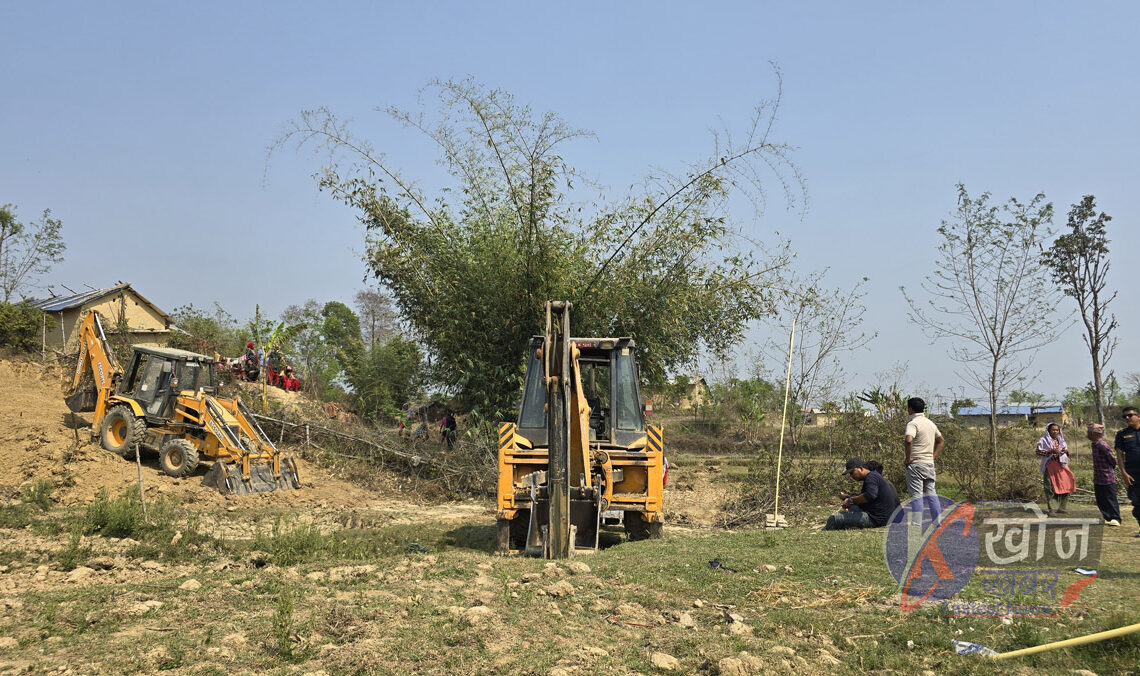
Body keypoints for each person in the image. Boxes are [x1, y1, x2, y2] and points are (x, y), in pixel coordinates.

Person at [824, 458, 900, 530]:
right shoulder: (873, 476)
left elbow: (870, 495)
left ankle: (823, 532)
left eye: (852, 472)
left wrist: (851, 500)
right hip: (879, 516)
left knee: (834, 518)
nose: (851, 476)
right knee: (852, 508)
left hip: (876, 519)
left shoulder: (871, 477)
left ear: (860, 468)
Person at [904, 397, 944, 499]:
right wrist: (933, 457)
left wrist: (908, 459)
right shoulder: (931, 423)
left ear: (911, 409)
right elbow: (941, 441)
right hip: (929, 464)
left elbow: (909, 440)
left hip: (916, 464)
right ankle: (937, 515)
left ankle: (917, 516)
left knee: (916, 496)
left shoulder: (913, 423)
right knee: (931, 494)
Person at [1036, 422, 1075, 514]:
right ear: (1048, 431)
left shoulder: (1061, 440)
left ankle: (1061, 507)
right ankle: (1052, 509)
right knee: (1050, 487)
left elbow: (1066, 452)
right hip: (1050, 465)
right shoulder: (1043, 440)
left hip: (1061, 465)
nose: (1055, 431)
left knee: (1067, 484)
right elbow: (1038, 451)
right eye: (1053, 430)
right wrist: (1050, 451)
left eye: (1057, 430)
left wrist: (1066, 451)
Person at [1087, 423, 1121, 526]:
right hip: (1098, 477)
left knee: (1110, 498)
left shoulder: (1103, 445)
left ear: (1094, 433)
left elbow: (1113, 460)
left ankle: (1116, 518)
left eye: (1089, 432)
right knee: (1100, 498)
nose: (1087, 434)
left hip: (1107, 476)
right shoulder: (1094, 445)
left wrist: (1111, 471)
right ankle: (1107, 517)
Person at [1114, 406, 1140, 535]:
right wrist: (1123, 473)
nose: (1127, 418)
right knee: (1137, 503)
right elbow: (1119, 455)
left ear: (1138, 416)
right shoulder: (1122, 434)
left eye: (1130, 415)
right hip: (1133, 474)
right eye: (1125, 416)